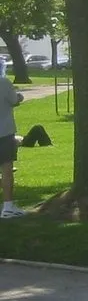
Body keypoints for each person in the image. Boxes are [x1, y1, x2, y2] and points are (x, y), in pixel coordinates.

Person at [0, 73, 26, 218]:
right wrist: (20, 96)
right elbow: (14, 100)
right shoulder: (3, 82)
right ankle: (8, 207)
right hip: (4, 132)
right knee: (7, 170)